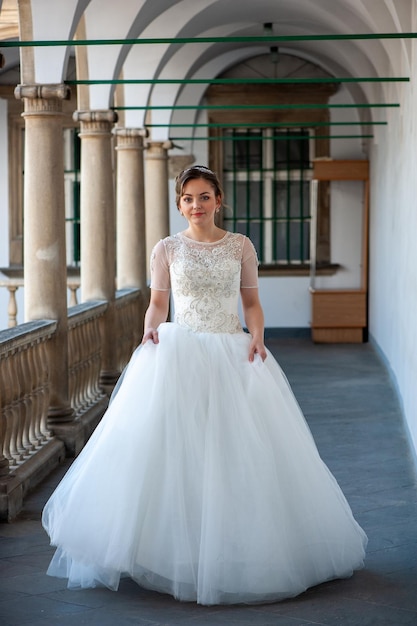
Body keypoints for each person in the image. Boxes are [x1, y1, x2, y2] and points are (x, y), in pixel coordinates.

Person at [42, 165, 367, 606]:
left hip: (231, 350)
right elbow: (158, 302)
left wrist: (257, 336)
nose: (196, 205)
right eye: (188, 199)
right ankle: (174, 549)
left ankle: (235, 546)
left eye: (204, 197)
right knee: (175, 449)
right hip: (179, 352)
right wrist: (149, 330)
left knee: (236, 450)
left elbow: (251, 302)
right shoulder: (167, 249)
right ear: (180, 204)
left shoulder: (240, 246)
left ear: (218, 200)